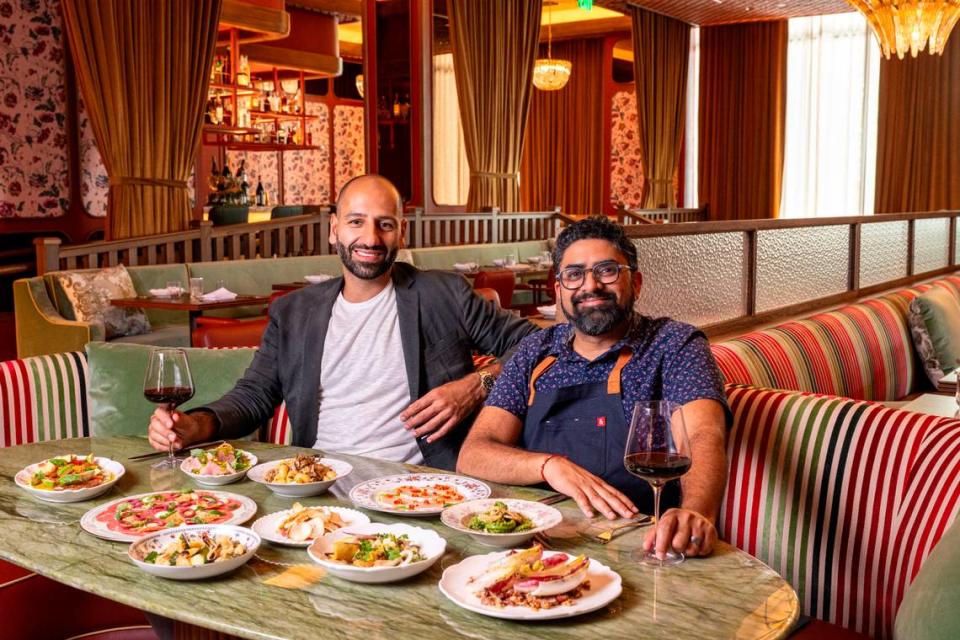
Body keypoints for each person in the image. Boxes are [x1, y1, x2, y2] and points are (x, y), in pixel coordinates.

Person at [147, 174, 537, 470]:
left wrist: (475, 385)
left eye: (384, 224)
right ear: (334, 228)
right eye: (356, 222)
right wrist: (196, 426)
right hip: (319, 481)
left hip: (420, 483)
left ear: (401, 231)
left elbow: (536, 341)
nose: (370, 238)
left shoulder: (443, 295)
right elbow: (255, 397)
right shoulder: (295, 311)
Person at [457, 216, 729, 559]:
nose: (591, 286)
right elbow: (474, 455)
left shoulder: (673, 344)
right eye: (574, 274)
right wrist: (549, 466)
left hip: (639, 545)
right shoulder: (535, 350)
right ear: (559, 291)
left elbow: (704, 434)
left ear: (636, 283)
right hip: (530, 546)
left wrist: (698, 513)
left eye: (606, 270)